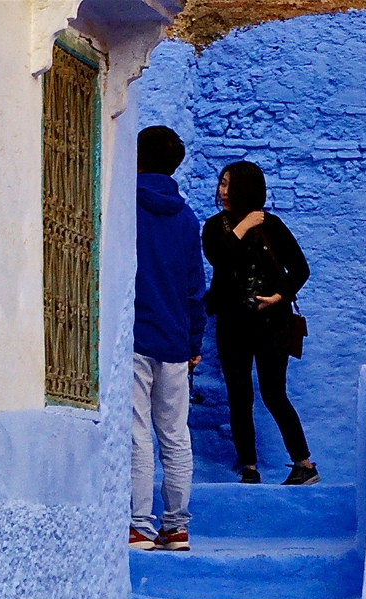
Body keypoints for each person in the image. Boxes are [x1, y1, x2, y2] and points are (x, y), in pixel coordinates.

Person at [202, 161, 316, 486]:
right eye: (222, 183)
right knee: (239, 396)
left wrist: (279, 297)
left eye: (230, 185)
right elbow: (219, 259)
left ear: (247, 189)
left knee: (273, 393)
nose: (223, 191)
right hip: (232, 323)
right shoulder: (214, 227)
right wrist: (242, 226)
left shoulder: (272, 226)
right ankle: (249, 468)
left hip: (272, 323)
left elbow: (300, 269)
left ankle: (304, 464)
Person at [131, 126, 207, 552]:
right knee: (176, 436)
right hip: (176, 343)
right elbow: (195, 288)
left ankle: (138, 525)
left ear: (137, 157)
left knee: (138, 433)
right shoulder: (187, 219)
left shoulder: (126, 206)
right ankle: (176, 526)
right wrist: (194, 342)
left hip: (136, 338)